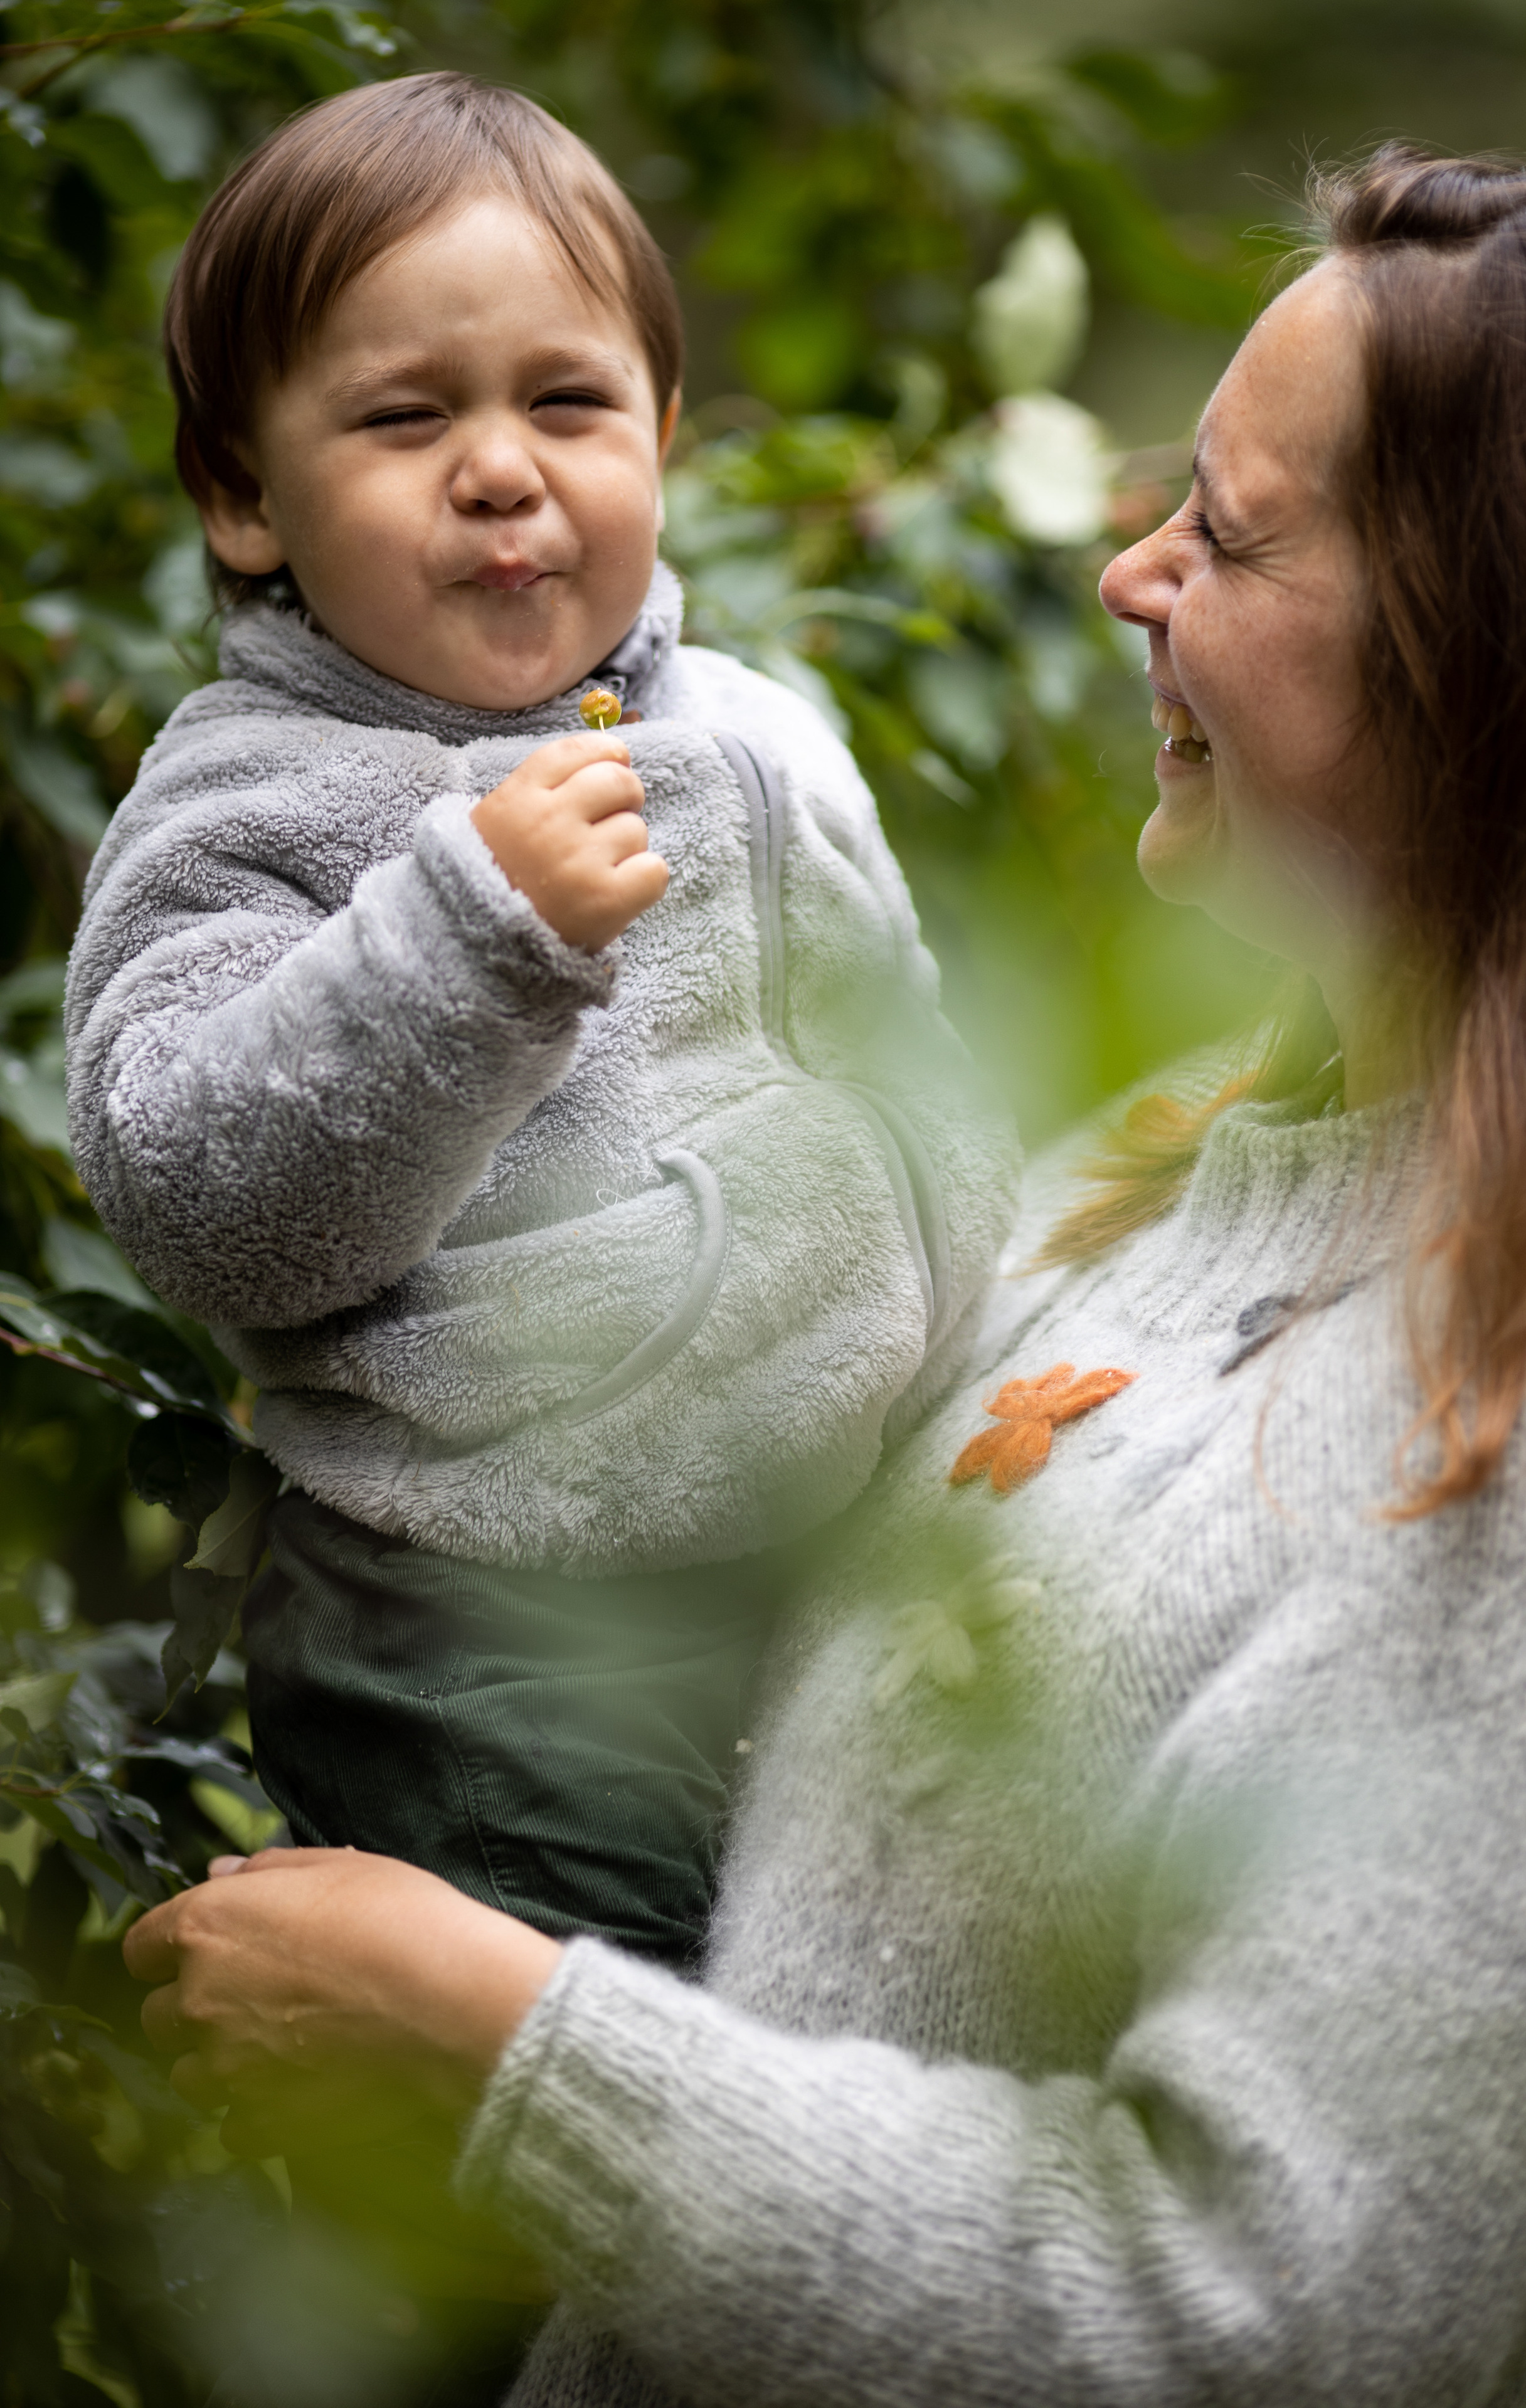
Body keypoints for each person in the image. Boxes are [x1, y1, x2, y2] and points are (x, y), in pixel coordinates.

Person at [127, 147, 1526, 2407]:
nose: (1126, 574)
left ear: (1494, 652)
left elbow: (1257, 2335)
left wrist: (502, 2048)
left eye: (1224, 531)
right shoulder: (1177, 1167)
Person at [64, 72, 1015, 1967]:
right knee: (567, 2081)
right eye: (406, 417)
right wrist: (464, 944)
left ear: (660, 434)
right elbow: (191, 1194)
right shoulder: (258, 798)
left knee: (823, 2024)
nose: (499, 467)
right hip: (475, 1613)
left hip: (810, 1550)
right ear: (246, 494)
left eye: (565, 403)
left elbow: (904, 1056)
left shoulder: (754, 729)